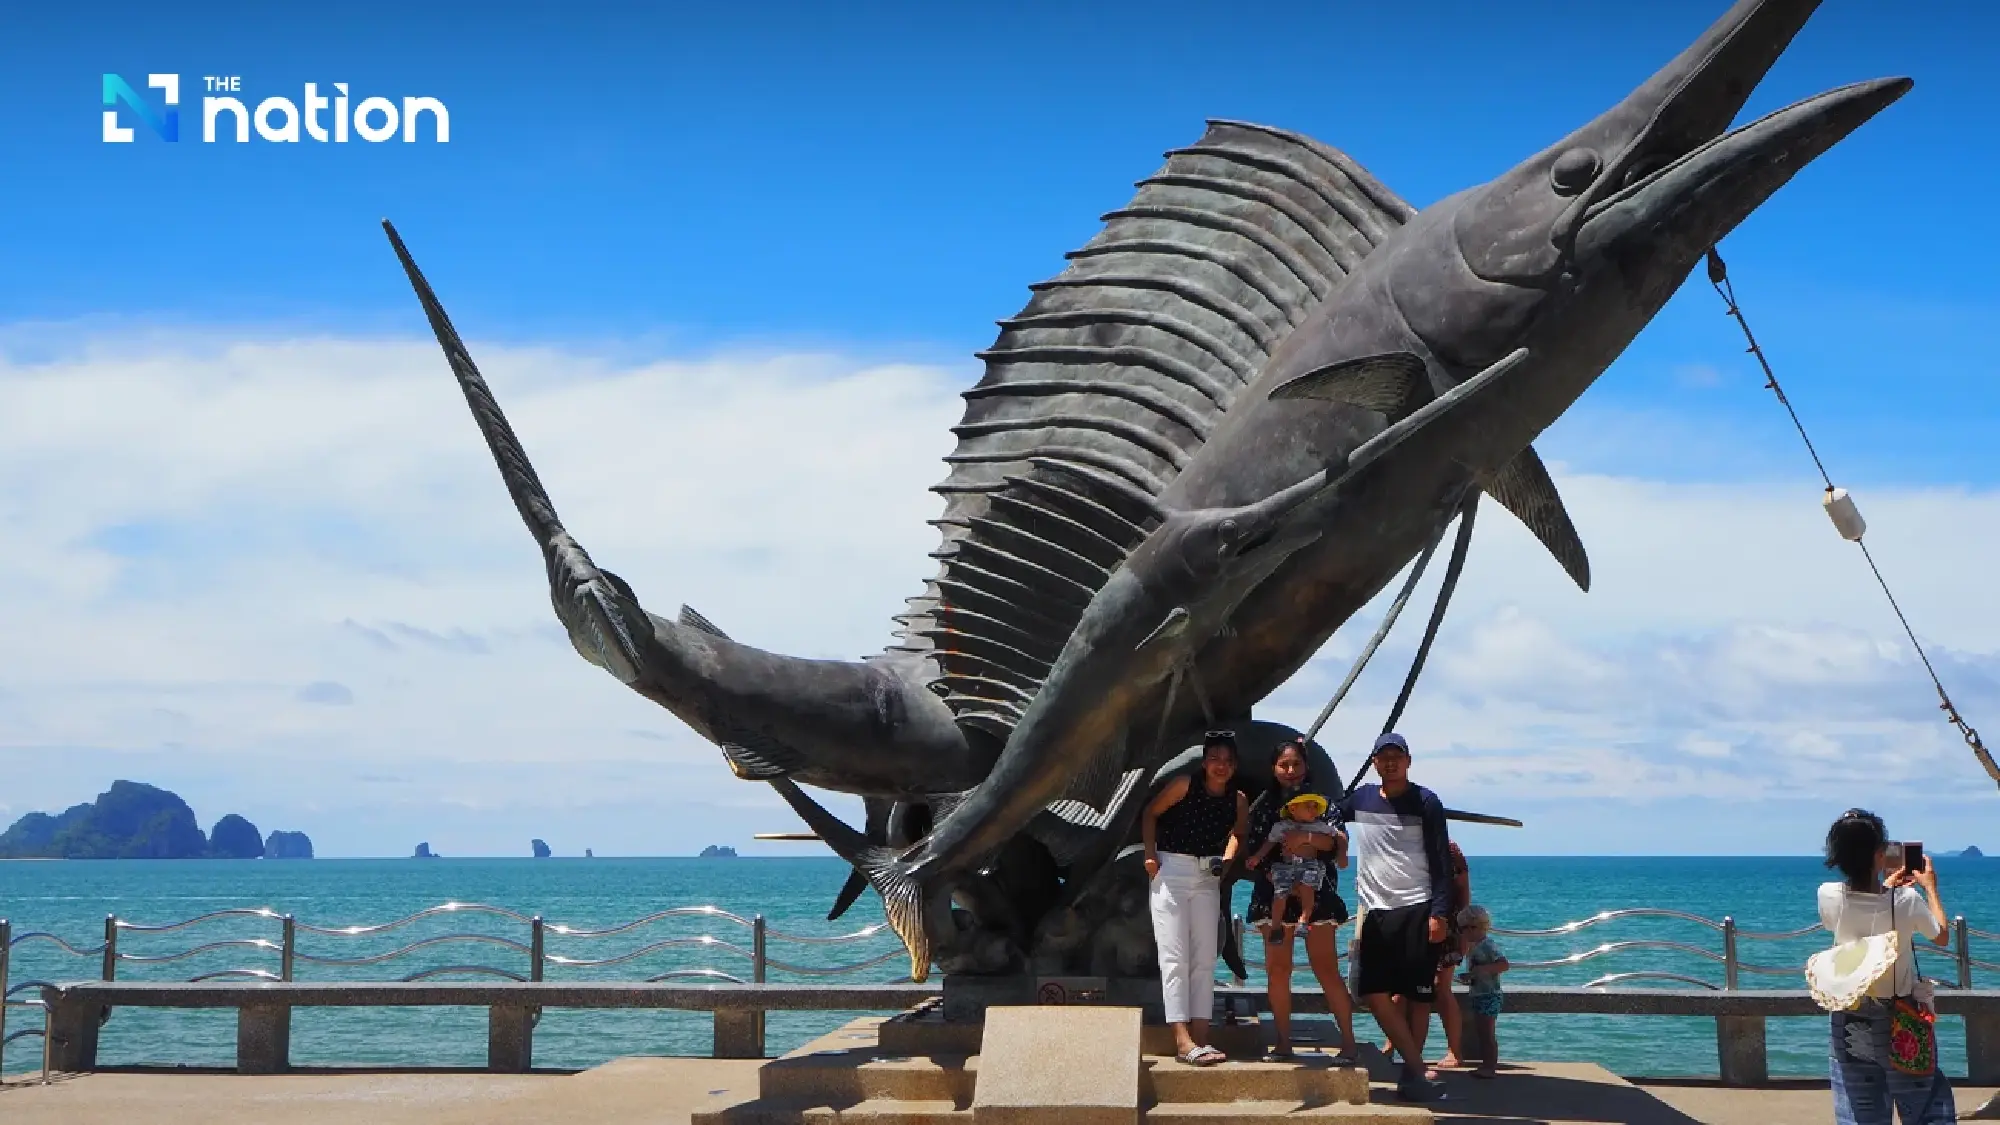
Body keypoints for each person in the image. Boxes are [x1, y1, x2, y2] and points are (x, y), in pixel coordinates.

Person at [1816, 808, 1956, 1124]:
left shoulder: (1827, 895)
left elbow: (1856, 917)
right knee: (1925, 1106)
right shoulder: (1906, 900)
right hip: (1900, 1020)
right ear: (1880, 854)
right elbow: (1942, 936)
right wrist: (1930, 887)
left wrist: (1885, 889)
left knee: (1860, 1113)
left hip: (1849, 1020)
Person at [1336, 731, 1452, 1103]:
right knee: (1372, 992)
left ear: (1408, 761)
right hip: (1376, 912)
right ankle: (1417, 1068)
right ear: (1373, 762)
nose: (1390, 762)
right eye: (1383, 757)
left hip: (1418, 907)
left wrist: (1439, 913)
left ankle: (1410, 1077)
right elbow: (1327, 812)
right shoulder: (1362, 798)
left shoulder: (1426, 802)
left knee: (1419, 996)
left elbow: (1441, 861)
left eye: (1396, 757)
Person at [1246, 737, 1360, 1062]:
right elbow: (1256, 850)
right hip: (1275, 897)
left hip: (1318, 896)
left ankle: (1349, 1044)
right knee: (1277, 970)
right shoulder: (1264, 806)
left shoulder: (1325, 803)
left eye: (1297, 763)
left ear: (1306, 766)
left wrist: (1306, 838)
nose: (1291, 770)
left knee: (1326, 969)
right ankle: (1283, 1042)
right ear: (1274, 768)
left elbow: (1336, 843)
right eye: (1284, 764)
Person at [1143, 729, 1249, 1067]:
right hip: (1171, 870)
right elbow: (1150, 814)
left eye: (1228, 761)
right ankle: (1182, 1040)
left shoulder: (1238, 799)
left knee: (1204, 959)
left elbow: (1238, 832)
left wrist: (1229, 858)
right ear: (1205, 762)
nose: (1221, 766)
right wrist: (1150, 855)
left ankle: (1202, 1035)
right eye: (1215, 759)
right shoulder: (1184, 785)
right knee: (1174, 957)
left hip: (1207, 876)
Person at [1246, 791, 1332, 946]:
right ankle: (1276, 926)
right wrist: (1257, 857)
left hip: (1309, 864)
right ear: (1293, 809)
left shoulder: (1319, 826)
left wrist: (1342, 852)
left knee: (1308, 888)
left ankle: (1304, 920)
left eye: (1315, 807)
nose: (1313, 810)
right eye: (1308, 806)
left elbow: (1335, 837)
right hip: (1286, 864)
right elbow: (1269, 843)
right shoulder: (1281, 827)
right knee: (1280, 894)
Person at [1455, 904, 1508, 1079]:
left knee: (1487, 1034)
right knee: (1481, 1032)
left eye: (1463, 929)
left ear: (1474, 927)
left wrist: (1483, 970)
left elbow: (1503, 964)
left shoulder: (1488, 945)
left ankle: (1490, 1067)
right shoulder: (1474, 946)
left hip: (1489, 994)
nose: (1462, 933)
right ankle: (1486, 1065)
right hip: (1478, 993)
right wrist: (1470, 976)